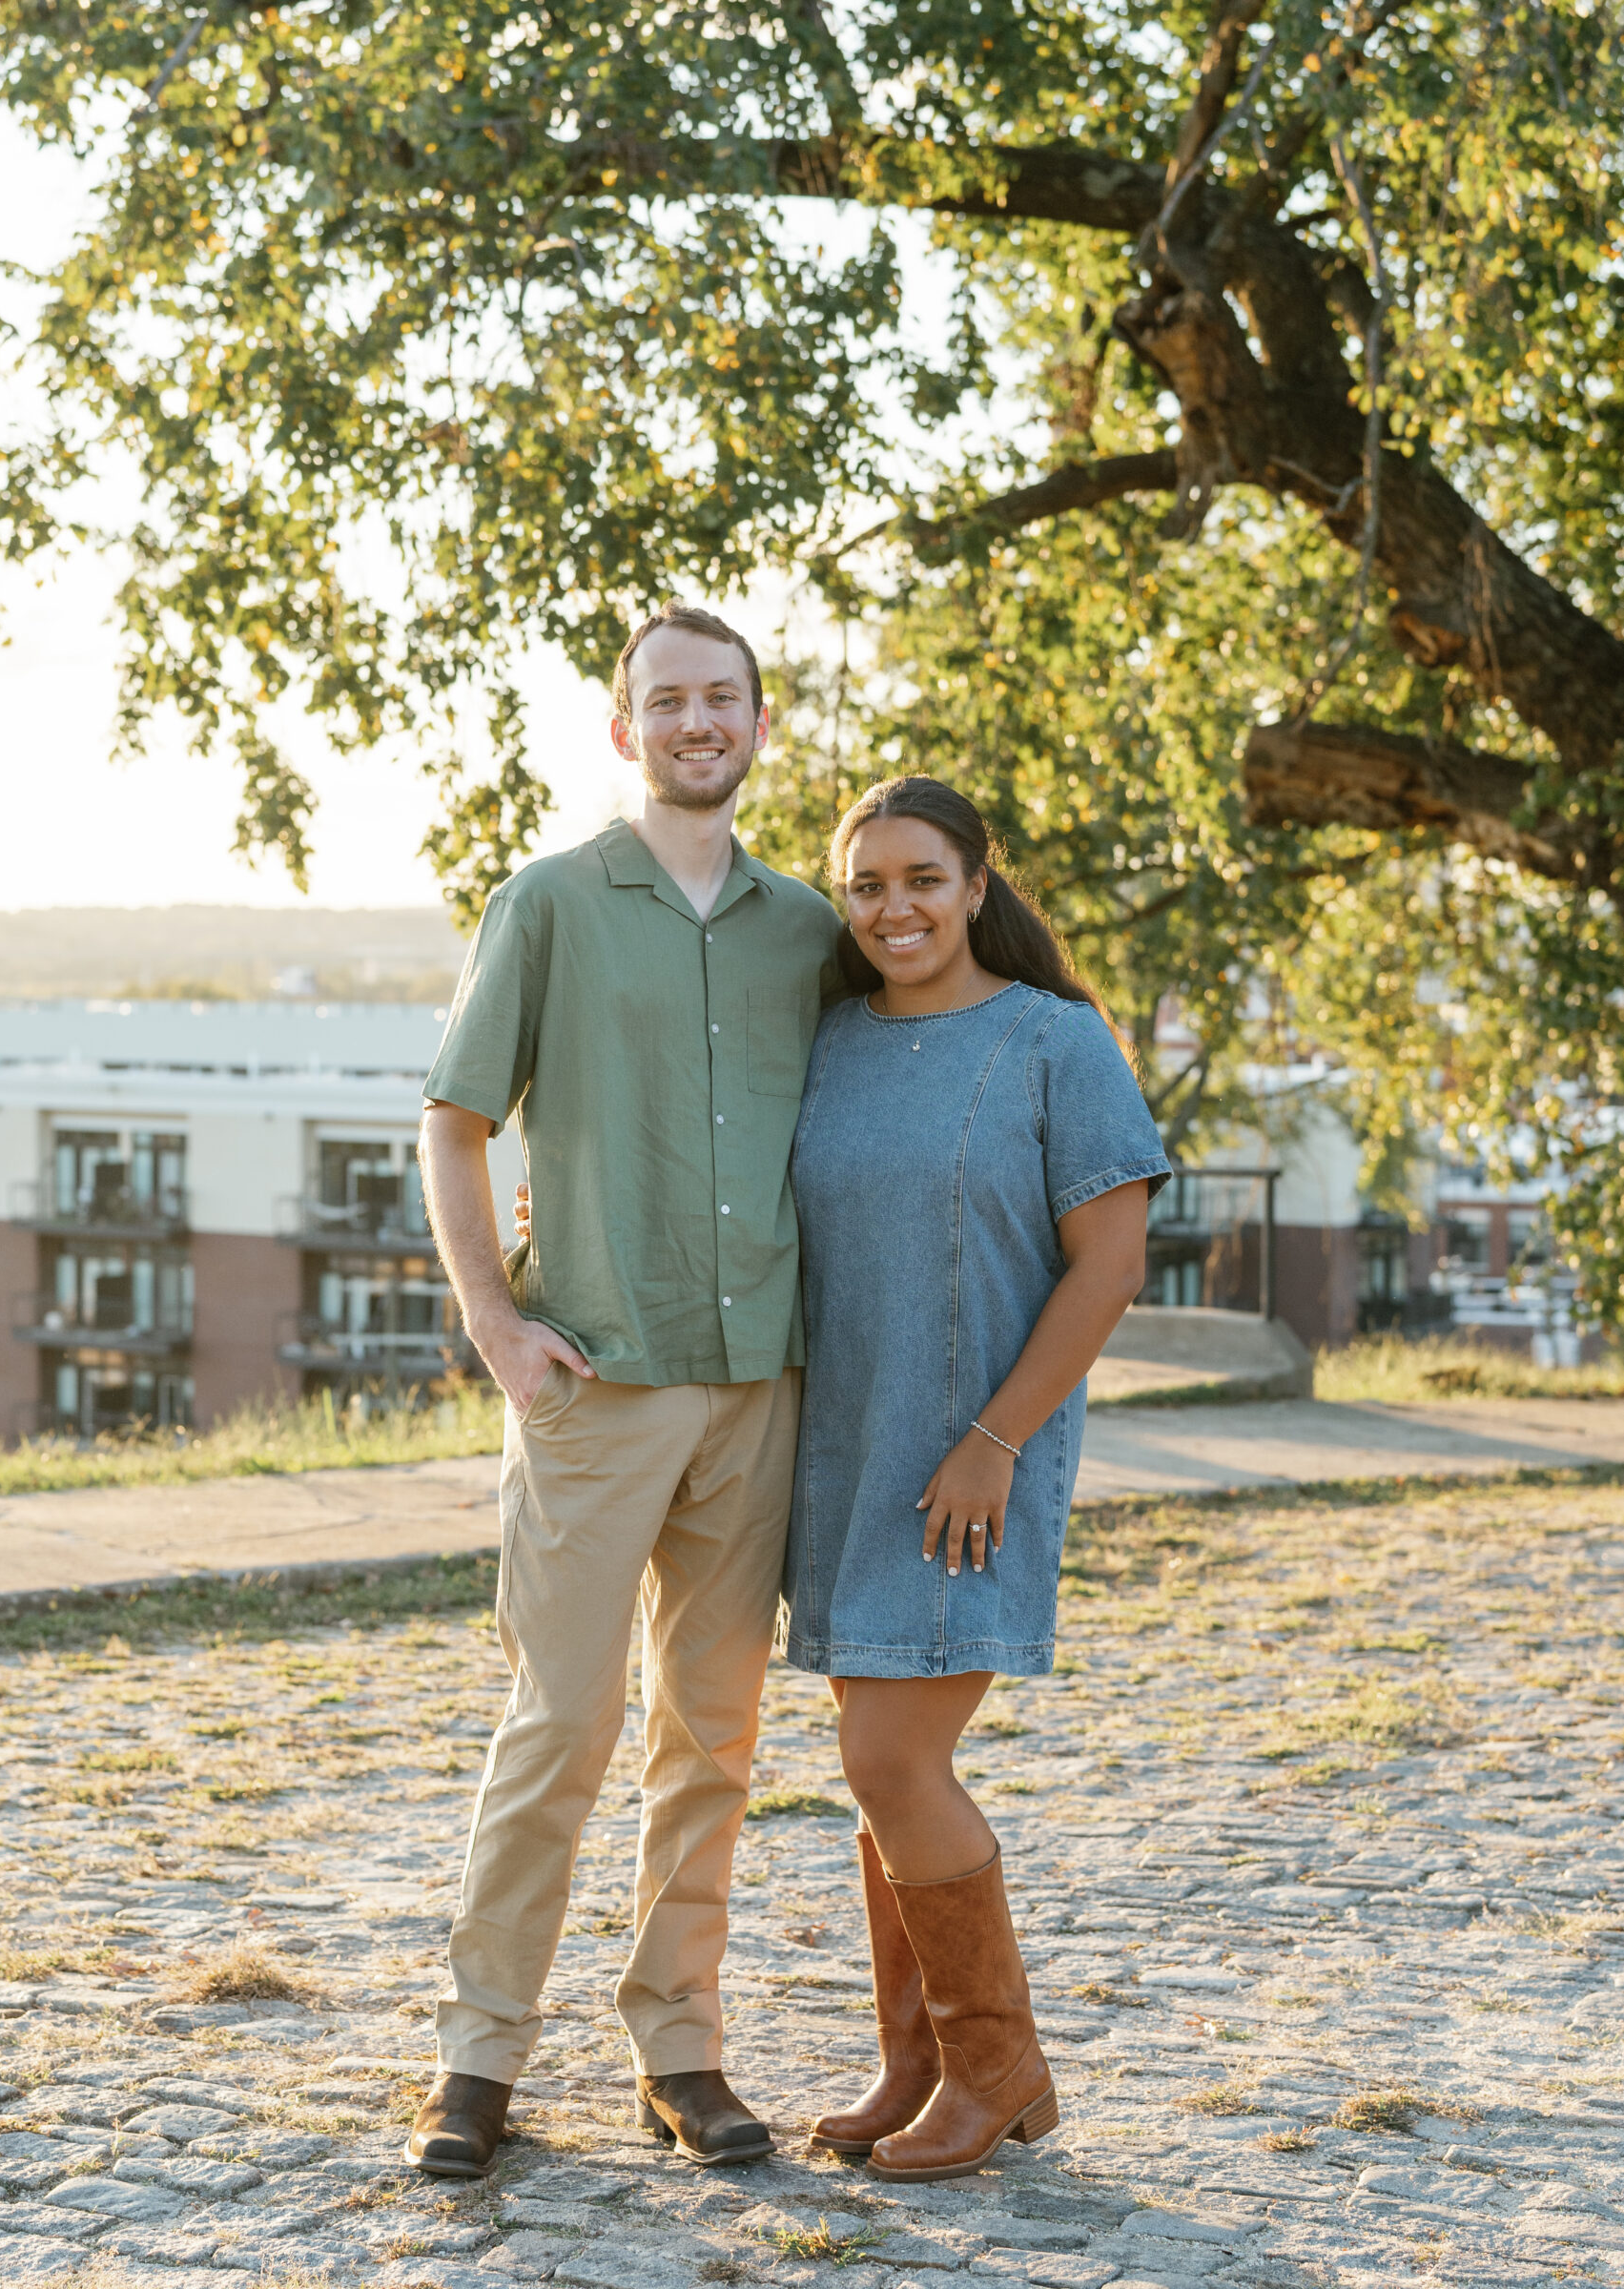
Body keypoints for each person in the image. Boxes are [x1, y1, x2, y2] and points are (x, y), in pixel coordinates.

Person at [403, 600, 841, 2181]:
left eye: (722, 699)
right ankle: (478, 2059)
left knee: (711, 1741)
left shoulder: (812, 928)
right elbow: (453, 1123)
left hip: (759, 1387)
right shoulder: (547, 904)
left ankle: (681, 2047)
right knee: (561, 1724)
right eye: (667, 702)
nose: (697, 723)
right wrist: (497, 1330)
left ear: (761, 723)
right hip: (595, 1385)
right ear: (623, 729)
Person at [784, 775, 1172, 2181]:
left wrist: (994, 1439)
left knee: (894, 1756)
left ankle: (995, 2065)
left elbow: (1111, 1264)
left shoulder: (1052, 1041)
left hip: (975, 1458)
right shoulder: (827, 1042)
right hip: (843, 1450)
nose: (895, 908)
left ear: (976, 883)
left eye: (921, 879)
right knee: (876, 1766)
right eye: (867, 885)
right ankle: (919, 2062)